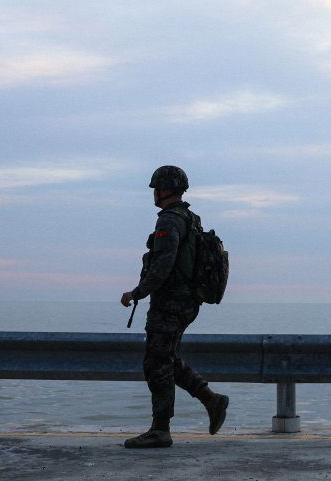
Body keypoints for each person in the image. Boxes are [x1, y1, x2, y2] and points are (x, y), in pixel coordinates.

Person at [120, 165, 229, 449]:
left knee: (156, 363)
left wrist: (137, 292)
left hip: (170, 302)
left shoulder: (169, 220)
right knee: (165, 358)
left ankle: (160, 429)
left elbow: (164, 263)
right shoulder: (191, 218)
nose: (154, 193)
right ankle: (211, 400)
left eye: (157, 187)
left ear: (166, 189)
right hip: (187, 301)